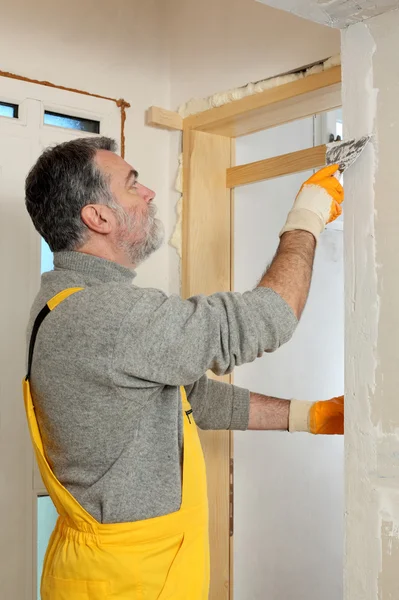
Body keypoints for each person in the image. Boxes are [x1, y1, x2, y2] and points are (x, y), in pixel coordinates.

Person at [23, 137, 344, 600]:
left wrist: (308, 416)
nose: (149, 193)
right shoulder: (107, 314)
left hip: (109, 569)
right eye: (133, 185)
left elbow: (189, 397)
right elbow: (270, 318)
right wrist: (307, 216)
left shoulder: (64, 302)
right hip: (130, 581)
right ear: (99, 217)